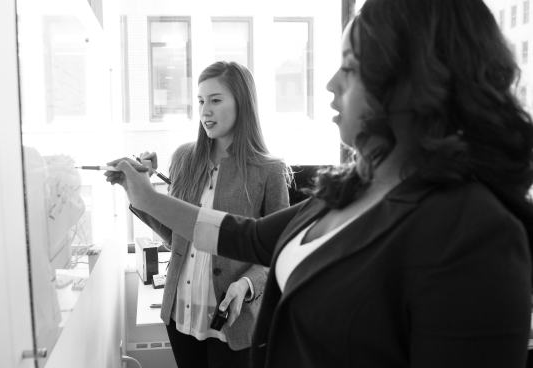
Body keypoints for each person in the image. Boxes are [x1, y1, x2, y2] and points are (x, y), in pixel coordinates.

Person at [107, 0, 533, 367]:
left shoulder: (476, 236)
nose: (331, 84)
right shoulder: (350, 188)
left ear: (415, 84)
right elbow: (248, 236)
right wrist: (142, 194)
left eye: (351, 68)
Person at [130, 61, 291, 368]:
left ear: (242, 103)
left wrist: (245, 286)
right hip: (181, 313)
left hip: (233, 320)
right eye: (201, 101)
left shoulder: (269, 171)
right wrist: (140, 189)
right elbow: (175, 238)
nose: (205, 111)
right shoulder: (184, 158)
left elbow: (276, 254)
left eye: (216, 100)